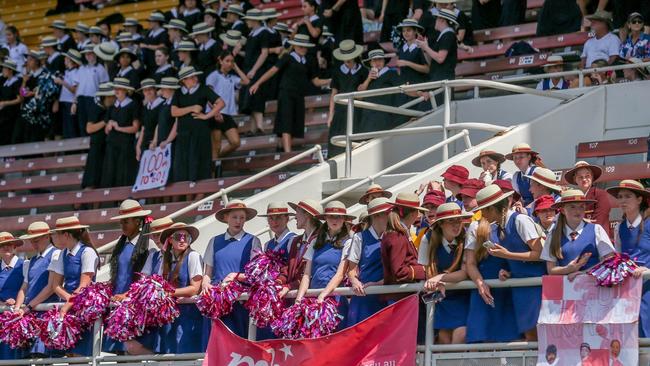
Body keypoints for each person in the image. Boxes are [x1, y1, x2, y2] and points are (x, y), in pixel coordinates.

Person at [475, 185, 544, 341]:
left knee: (537, 334)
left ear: (493, 208)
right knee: (529, 334)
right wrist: (509, 271)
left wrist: (508, 255)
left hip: (536, 286)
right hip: (520, 285)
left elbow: (540, 254)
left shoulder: (520, 220)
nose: (482, 214)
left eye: (484, 210)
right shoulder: (498, 227)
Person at [250, 34, 328, 153]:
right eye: (301, 46)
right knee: (286, 122)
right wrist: (258, 83)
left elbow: (316, 81)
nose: (303, 49)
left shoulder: (308, 61)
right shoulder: (287, 57)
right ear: (295, 46)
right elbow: (272, 71)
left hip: (299, 95)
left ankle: (282, 147)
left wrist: (333, 80)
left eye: (305, 47)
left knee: (295, 124)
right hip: (286, 94)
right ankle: (288, 153)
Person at [464, 187, 520, 343]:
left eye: (484, 209)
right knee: (482, 341)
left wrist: (510, 272)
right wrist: (480, 283)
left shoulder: (515, 222)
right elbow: (470, 263)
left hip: (508, 289)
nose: (482, 213)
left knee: (511, 342)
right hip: (484, 291)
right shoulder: (476, 227)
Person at [202, 200, 261, 341]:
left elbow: (256, 275)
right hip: (217, 301)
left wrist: (236, 276)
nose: (238, 221)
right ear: (226, 218)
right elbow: (208, 273)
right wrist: (205, 283)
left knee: (239, 341)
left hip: (241, 301)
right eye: (234, 217)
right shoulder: (214, 241)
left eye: (242, 217)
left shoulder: (253, 241)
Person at [103, 200, 154, 353]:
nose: (123, 225)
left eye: (126, 221)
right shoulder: (122, 244)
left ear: (138, 221)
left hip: (134, 305)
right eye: (121, 222)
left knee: (132, 350)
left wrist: (127, 295)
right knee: (120, 353)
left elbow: (147, 279)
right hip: (118, 304)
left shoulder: (149, 245)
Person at [296, 200, 354, 329]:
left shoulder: (348, 242)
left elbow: (340, 275)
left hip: (335, 300)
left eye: (339, 217)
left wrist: (323, 295)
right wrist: (299, 300)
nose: (335, 220)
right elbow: (306, 275)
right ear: (325, 218)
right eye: (331, 216)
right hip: (314, 299)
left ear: (344, 219)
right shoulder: (316, 241)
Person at [419, 203, 472, 344]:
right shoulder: (427, 239)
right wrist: (436, 282)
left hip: (462, 297)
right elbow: (425, 271)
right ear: (441, 224)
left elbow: (464, 273)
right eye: (451, 221)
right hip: (441, 298)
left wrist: (440, 278)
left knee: (460, 335)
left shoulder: (466, 237)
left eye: (459, 220)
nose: (456, 225)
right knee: (444, 338)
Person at [48, 217, 99, 356]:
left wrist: (68, 305)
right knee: (70, 355)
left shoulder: (87, 252)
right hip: (71, 305)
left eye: (57, 234)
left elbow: (84, 285)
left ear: (66, 235)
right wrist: (70, 300)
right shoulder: (62, 253)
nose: (55, 237)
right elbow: (55, 285)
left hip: (84, 309)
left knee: (80, 355)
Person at [606, 180, 650, 336]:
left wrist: (647, 269)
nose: (622, 200)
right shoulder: (620, 227)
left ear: (639, 200)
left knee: (646, 328)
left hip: (647, 286)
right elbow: (618, 256)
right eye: (620, 196)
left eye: (628, 196)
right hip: (627, 286)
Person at [341, 197, 393, 325]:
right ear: (376, 216)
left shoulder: (393, 236)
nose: (391, 216)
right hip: (365, 296)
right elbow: (351, 271)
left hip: (387, 297)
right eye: (388, 213)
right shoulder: (359, 237)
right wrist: (354, 282)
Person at [13, 222, 61, 358]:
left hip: (47, 313)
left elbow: (51, 287)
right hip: (32, 313)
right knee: (30, 356)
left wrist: (29, 306)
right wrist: (17, 308)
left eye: (37, 240)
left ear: (47, 236)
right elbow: (24, 287)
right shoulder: (31, 260)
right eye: (32, 241)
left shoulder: (56, 254)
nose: (34, 244)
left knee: (44, 356)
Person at [541, 189, 616, 276]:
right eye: (572, 207)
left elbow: (610, 260)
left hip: (593, 286)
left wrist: (584, 273)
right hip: (566, 288)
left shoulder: (596, 229)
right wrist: (568, 269)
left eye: (581, 206)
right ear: (562, 211)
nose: (578, 211)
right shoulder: (553, 234)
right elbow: (550, 269)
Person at [171, 66, 224, 183]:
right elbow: (174, 112)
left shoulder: (203, 89)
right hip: (184, 135)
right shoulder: (178, 93)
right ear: (184, 81)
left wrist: (207, 115)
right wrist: (192, 108)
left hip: (200, 134)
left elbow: (220, 103)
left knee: (201, 167)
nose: (195, 78)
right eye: (191, 77)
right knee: (183, 168)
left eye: (195, 76)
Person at [158, 222, 203, 354]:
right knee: (168, 354)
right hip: (170, 314)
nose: (183, 240)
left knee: (185, 352)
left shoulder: (193, 256)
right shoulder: (165, 258)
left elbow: (195, 289)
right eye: (178, 236)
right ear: (170, 240)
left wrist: (169, 293)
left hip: (189, 314)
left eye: (186, 237)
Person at [205, 50, 248, 162]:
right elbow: (208, 95)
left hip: (227, 114)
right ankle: (213, 175)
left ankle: (215, 161)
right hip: (215, 113)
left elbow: (246, 81)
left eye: (232, 61)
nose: (229, 63)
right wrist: (216, 111)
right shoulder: (213, 76)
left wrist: (236, 67)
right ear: (220, 61)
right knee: (216, 146)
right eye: (227, 61)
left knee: (235, 142)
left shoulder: (231, 77)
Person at [327, 40, 367, 157]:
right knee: (337, 141)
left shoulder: (363, 71)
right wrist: (331, 114)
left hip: (357, 110)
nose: (347, 59)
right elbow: (334, 93)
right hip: (340, 111)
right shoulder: (337, 71)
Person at [278, 199, 323, 296]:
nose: (295, 217)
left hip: (311, 298)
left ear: (307, 215)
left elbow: (312, 273)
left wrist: (290, 286)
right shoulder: (296, 241)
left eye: (297, 213)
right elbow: (288, 268)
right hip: (295, 296)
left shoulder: (321, 240)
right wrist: (279, 281)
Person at [101, 78, 140, 188]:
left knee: (124, 174)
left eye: (120, 88)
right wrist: (108, 126)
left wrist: (119, 128)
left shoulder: (133, 105)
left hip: (126, 145)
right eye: (115, 88)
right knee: (111, 172)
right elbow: (106, 129)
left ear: (126, 90)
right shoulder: (112, 106)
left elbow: (135, 127)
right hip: (112, 145)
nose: (117, 91)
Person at [240, 9, 270, 135]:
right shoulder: (252, 33)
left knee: (256, 97)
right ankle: (253, 128)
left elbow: (264, 53)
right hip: (249, 69)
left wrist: (254, 69)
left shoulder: (263, 33)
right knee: (251, 99)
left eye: (248, 19)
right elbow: (250, 54)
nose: (247, 22)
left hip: (256, 70)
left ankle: (260, 125)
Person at [563, 161, 613, 236]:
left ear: (592, 177)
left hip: (598, 240)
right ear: (575, 179)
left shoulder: (601, 194)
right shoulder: (571, 198)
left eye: (587, 176)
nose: (584, 179)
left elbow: (598, 222)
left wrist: (578, 220)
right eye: (580, 177)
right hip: (576, 239)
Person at [357, 49, 400, 134]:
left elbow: (402, 90)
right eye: (374, 60)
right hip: (368, 119)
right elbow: (359, 97)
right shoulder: (367, 77)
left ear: (384, 61)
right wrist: (368, 79)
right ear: (370, 63)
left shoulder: (392, 73)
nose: (377, 62)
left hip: (385, 117)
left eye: (380, 59)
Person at [81, 82, 113, 190]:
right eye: (109, 96)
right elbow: (89, 128)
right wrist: (105, 122)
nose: (112, 98)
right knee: (92, 181)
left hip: (106, 147)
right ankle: (81, 205)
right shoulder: (96, 108)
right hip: (96, 148)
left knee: (100, 181)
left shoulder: (110, 109)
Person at [0, 232, 25, 360]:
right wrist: (2, 304)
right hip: (2, 322)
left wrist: (18, 303)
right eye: (2, 245)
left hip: (21, 318)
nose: (6, 247)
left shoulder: (25, 265)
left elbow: (31, 289)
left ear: (15, 246)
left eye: (9, 244)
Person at [149, 77, 179, 183]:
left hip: (171, 143)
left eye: (163, 88)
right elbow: (159, 124)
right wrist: (154, 141)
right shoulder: (163, 104)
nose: (161, 91)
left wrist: (168, 140)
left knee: (171, 173)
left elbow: (177, 123)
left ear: (170, 89)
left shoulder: (175, 103)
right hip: (161, 143)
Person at [395, 19, 429, 108]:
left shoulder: (420, 47)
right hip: (405, 91)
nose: (406, 33)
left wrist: (408, 63)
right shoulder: (402, 48)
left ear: (415, 32)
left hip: (419, 90)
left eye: (409, 30)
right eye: (404, 31)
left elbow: (427, 69)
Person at [136, 79, 165, 162]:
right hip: (145, 142)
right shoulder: (145, 108)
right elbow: (143, 127)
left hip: (158, 142)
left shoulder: (163, 104)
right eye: (145, 90)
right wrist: (138, 145)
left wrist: (155, 141)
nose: (148, 92)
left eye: (150, 89)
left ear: (155, 89)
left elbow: (159, 124)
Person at [0, 59, 23, 145]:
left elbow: (20, 99)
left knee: (9, 136)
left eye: (5, 68)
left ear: (10, 70)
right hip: (3, 114)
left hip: (12, 114)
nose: (3, 70)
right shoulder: (4, 81)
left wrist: (5, 103)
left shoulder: (17, 82)